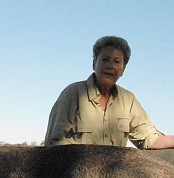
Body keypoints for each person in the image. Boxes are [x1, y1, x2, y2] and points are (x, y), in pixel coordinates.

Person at [45, 36, 174, 149]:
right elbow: (54, 142)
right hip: (78, 173)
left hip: (114, 174)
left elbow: (149, 138)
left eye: (117, 61)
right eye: (105, 59)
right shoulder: (73, 93)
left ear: (123, 69)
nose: (110, 66)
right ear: (94, 62)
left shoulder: (128, 100)